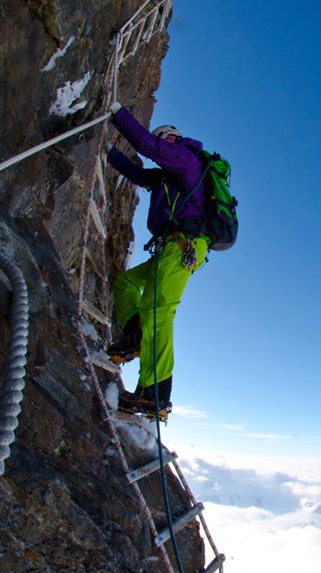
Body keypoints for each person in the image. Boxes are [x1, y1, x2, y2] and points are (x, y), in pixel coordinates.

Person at [105, 101, 209, 414]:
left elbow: (148, 146)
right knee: (126, 283)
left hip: (183, 247)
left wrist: (117, 114)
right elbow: (137, 173)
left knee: (159, 313)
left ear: (172, 139)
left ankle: (155, 393)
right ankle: (135, 337)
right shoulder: (167, 178)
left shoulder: (186, 161)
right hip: (171, 250)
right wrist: (108, 152)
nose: (161, 145)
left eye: (163, 139)